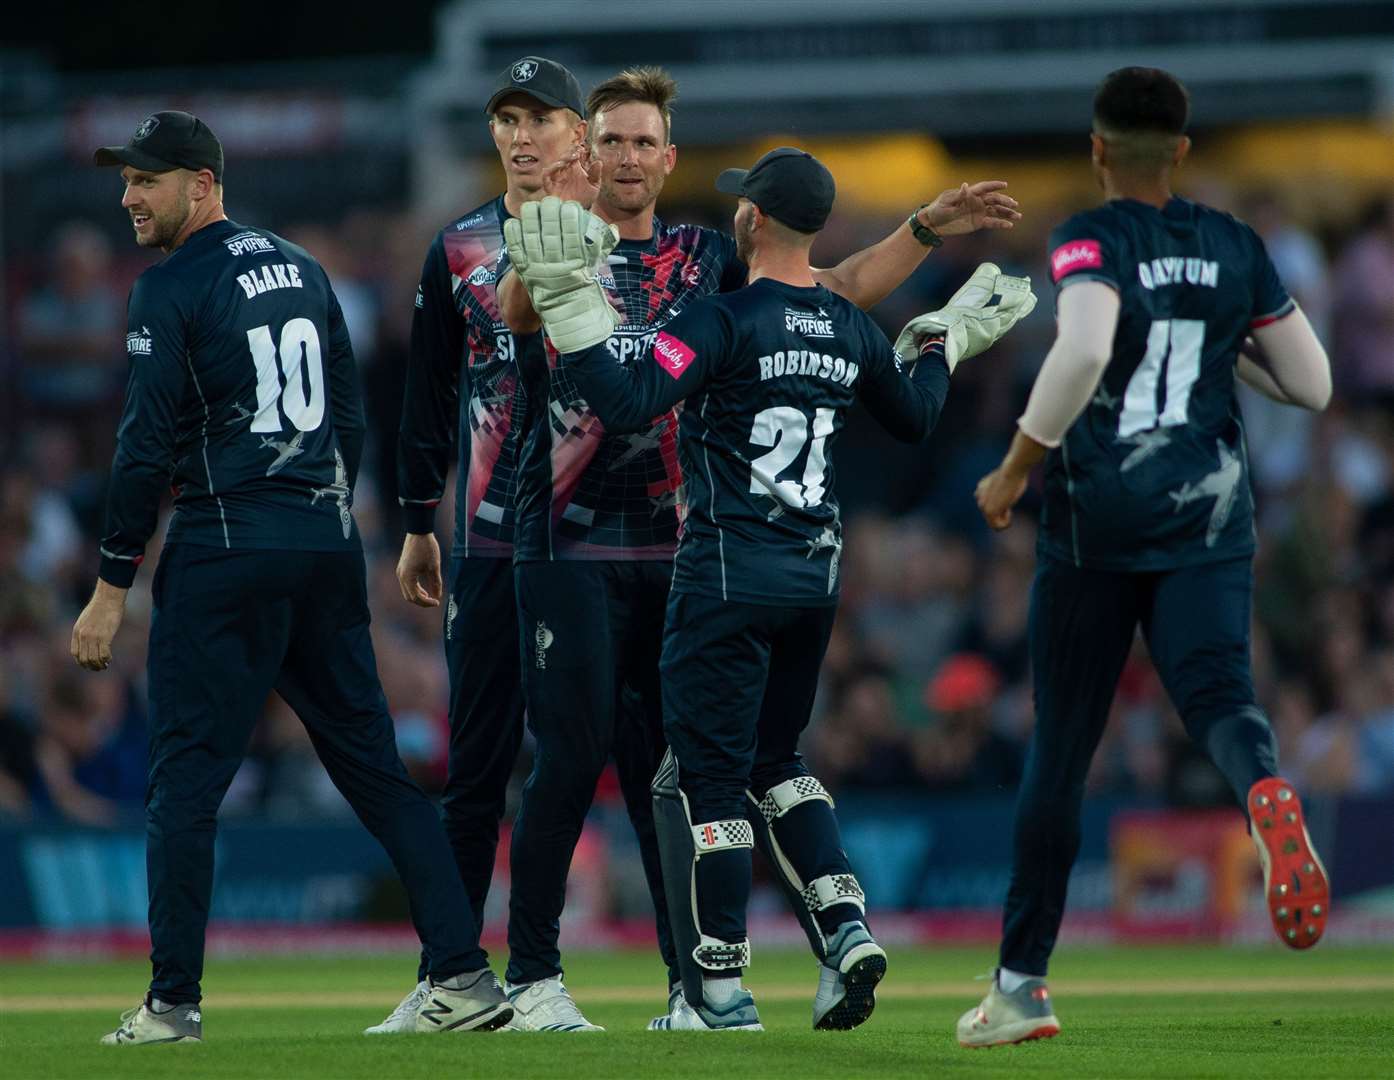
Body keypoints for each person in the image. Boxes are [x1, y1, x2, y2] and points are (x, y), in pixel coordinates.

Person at [494, 66, 1023, 1029]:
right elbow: (878, 365)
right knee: (757, 758)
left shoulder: (719, 295)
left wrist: (575, 301)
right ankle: (840, 926)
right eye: (610, 140)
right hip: (773, 572)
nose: (626, 157)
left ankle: (715, 987)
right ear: (589, 149)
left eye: (642, 141)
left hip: (710, 564)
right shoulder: (832, 326)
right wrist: (941, 335)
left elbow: (630, 394)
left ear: (681, 168)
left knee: (703, 778)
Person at [72, 110, 511, 1045]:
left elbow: (145, 445)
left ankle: (172, 1004)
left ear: (201, 184)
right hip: (319, 540)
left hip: (223, 544)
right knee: (377, 770)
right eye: (125, 180)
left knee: (185, 784)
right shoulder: (306, 271)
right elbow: (353, 416)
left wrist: (113, 583)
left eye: (144, 180)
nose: (128, 196)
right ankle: (463, 973)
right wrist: (323, 505)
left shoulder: (170, 286)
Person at [963, 67, 1334, 1048]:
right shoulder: (1234, 244)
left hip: (1095, 527)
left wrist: (1012, 468)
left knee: (1062, 750)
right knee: (1218, 698)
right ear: (1179, 148)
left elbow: (1082, 350)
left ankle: (1020, 989)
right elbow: (1312, 384)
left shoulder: (1090, 238)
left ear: (1094, 152)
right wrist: (1224, 340)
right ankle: (1262, 791)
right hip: (1208, 521)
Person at [377, 56, 589, 1033]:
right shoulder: (459, 245)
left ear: (574, 137)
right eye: (506, 117)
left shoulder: (617, 245)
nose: (518, 134)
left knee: (579, 751)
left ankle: (547, 973)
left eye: (538, 118)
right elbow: (424, 393)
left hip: (594, 545)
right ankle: (450, 978)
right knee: (476, 766)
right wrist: (417, 520)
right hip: (488, 540)